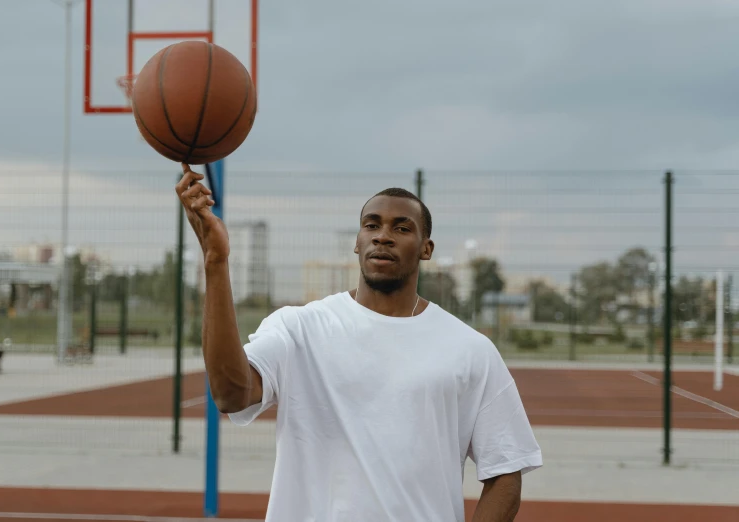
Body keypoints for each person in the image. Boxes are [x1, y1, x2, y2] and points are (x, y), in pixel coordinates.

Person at [176, 163, 542, 522]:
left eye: (402, 227)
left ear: (426, 249)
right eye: (372, 225)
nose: (383, 235)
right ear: (357, 242)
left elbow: (506, 473)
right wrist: (215, 260)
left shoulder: (469, 349)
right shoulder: (299, 328)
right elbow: (229, 394)